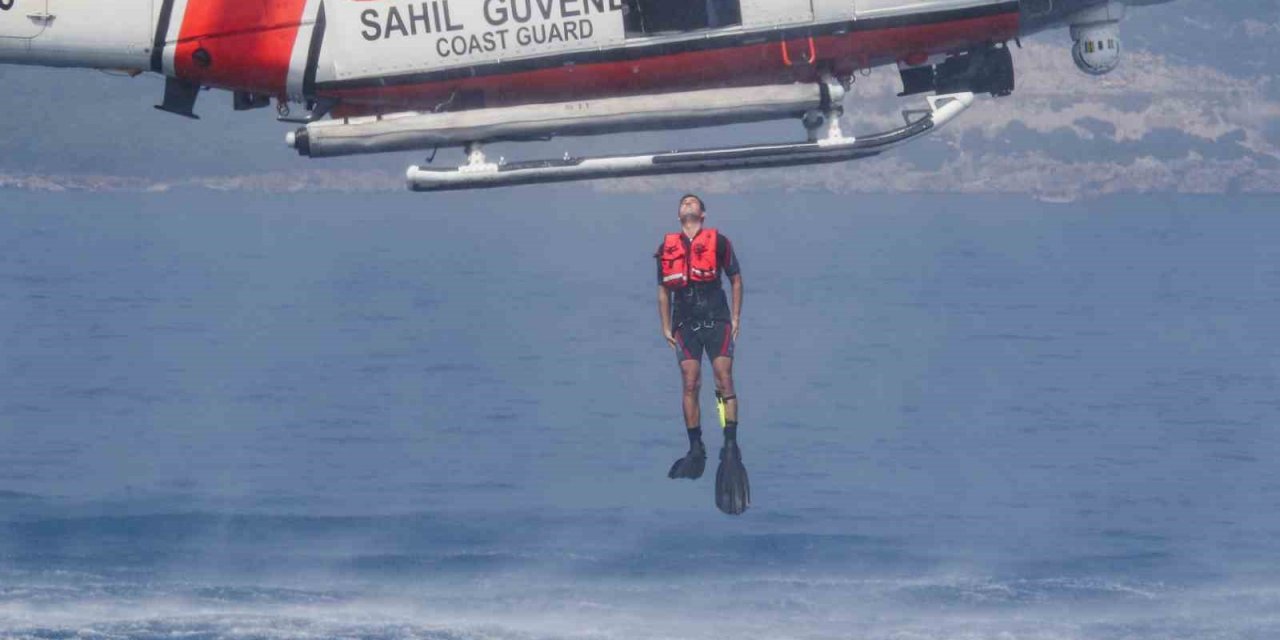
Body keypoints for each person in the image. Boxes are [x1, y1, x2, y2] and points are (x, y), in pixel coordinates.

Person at [655, 193, 749, 515]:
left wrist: (736, 317)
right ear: (678, 215)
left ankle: (730, 441)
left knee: (724, 381)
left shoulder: (719, 242)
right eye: (683, 202)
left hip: (717, 320)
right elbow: (663, 290)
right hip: (685, 324)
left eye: (693, 202)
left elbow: (736, 279)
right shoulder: (667, 247)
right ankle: (696, 447)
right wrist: (664, 326)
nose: (687, 204)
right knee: (690, 382)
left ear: (703, 213)